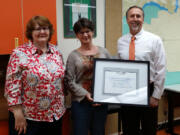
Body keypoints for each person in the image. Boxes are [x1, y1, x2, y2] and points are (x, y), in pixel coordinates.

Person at [4, 15, 65, 135]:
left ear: (50, 31)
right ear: (30, 33)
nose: (42, 32)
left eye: (45, 28)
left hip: (55, 115)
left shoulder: (56, 51)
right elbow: (11, 85)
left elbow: (61, 79)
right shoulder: (19, 53)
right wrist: (17, 112)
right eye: (37, 29)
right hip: (29, 117)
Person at [117, 6, 166, 135]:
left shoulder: (154, 40)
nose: (135, 19)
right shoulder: (121, 41)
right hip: (127, 91)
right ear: (126, 19)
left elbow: (161, 69)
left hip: (148, 90)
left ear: (143, 19)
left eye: (138, 16)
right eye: (132, 16)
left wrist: (156, 96)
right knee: (128, 129)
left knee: (148, 129)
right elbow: (120, 68)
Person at [64, 18, 111, 135]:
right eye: (81, 32)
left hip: (101, 102)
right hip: (80, 103)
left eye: (88, 31)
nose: (85, 35)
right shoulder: (73, 56)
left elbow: (111, 74)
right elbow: (69, 81)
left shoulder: (104, 52)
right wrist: (85, 94)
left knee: (99, 132)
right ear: (77, 35)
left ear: (92, 32)